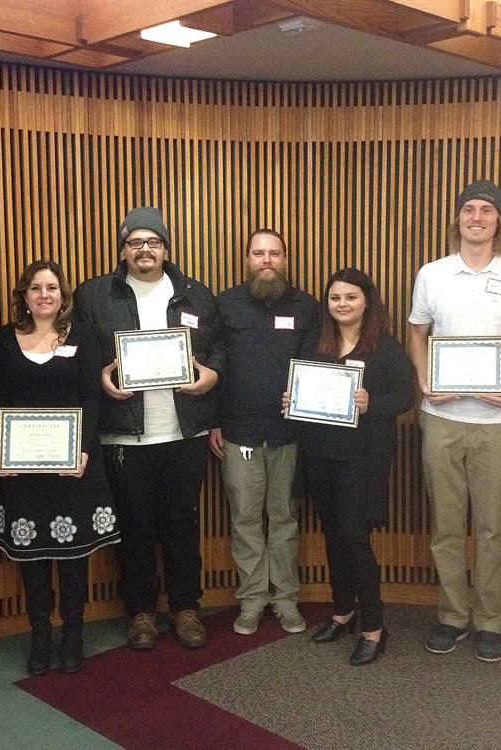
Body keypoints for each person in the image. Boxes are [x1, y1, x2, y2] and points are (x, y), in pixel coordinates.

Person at [75, 207, 223, 651]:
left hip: (185, 433)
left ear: (165, 248)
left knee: (182, 524)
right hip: (123, 435)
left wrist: (212, 374)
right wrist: (100, 378)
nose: (145, 249)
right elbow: (79, 354)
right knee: (134, 528)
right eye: (135, 242)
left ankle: (185, 607)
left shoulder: (195, 294)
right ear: (122, 249)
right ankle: (139, 612)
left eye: (153, 241)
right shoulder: (93, 295)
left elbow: (219, 350)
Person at [408, 179, 501, 662]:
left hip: (497, 420)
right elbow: (416, 333)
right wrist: (426, 382)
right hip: (441, 418)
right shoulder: (432, 273)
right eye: (469, 209)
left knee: (490, 527)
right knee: (446, 526)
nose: (478, 217)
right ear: (458, 219)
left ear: (499, 220)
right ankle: (451, 616)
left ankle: (490, 621)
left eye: (487, 210)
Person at [0, 260, 120, 676]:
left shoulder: (80, 336)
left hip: (73, 464)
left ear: (63, 295)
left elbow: (91, 398)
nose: (45, 295)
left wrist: (81, 449)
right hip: (23, 467)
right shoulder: (4, 339)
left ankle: (74, 634)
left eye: (52, 288)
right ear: (23, 296)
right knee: (31, 556)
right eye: (35, 288)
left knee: (73, 554)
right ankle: (40, 634)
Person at [286, 268, 414, 666]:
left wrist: (369, 403)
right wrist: (293, 401)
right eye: (335, 298)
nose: (342, 304)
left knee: (355, 538)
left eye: (350, 297)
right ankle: (343, 611)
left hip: (361, 458)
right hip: (320, 453)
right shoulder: (316, 340)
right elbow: (304, 388)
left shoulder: (386, 348)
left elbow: (405, 398)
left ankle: (374, 627)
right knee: (332, 535)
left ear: (367, 301)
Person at [210, 228, 318, 636]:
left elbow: (318, 362)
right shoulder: (226, 304)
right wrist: (213, 421)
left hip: (290, 433)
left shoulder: (306, 306)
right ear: (247, 259)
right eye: (259, 253)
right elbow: (214, 362)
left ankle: (286, 599)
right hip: (238, 433)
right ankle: (253, 598)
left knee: (286, 518)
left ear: (286, 259)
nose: (267, 260)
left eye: (274, 253)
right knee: (245, 521)